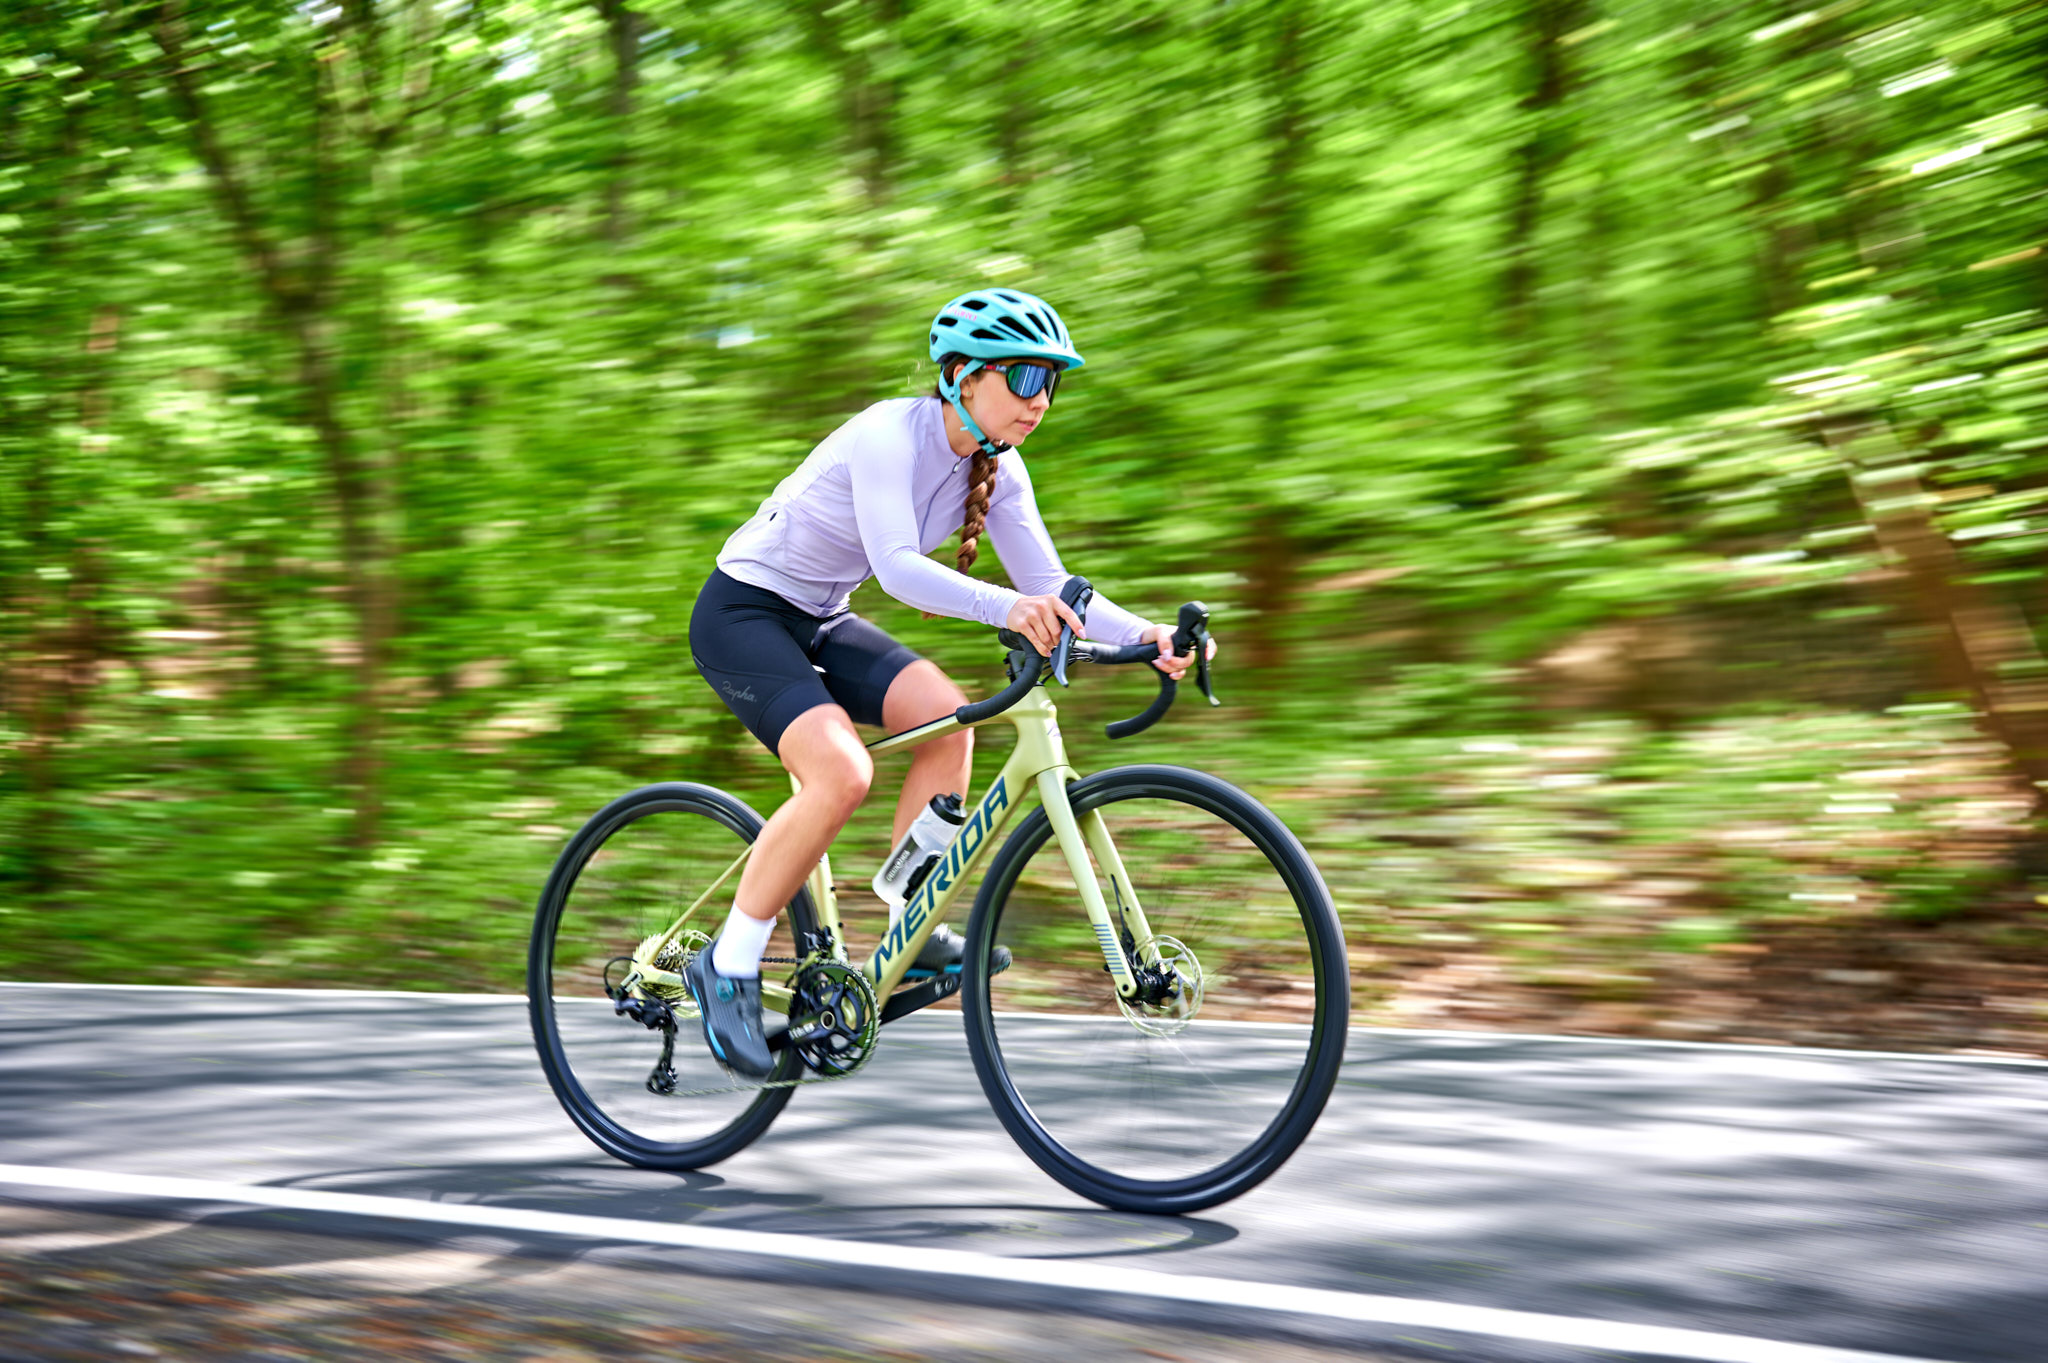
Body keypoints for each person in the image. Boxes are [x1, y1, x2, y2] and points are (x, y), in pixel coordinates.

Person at [682, 288, 1209, 1077]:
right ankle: (727, 962)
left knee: (944, 715)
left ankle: (911, 923)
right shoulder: (888, 434)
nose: (1040, 400)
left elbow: (1054, 584)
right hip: (744, 613)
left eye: (1052, 382)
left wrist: (1148, 635)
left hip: (820, 614)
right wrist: (1011, 606)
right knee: (843, 771)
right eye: (1025, 377)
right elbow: (896, 569)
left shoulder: (1000, 468)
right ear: (963, 375)